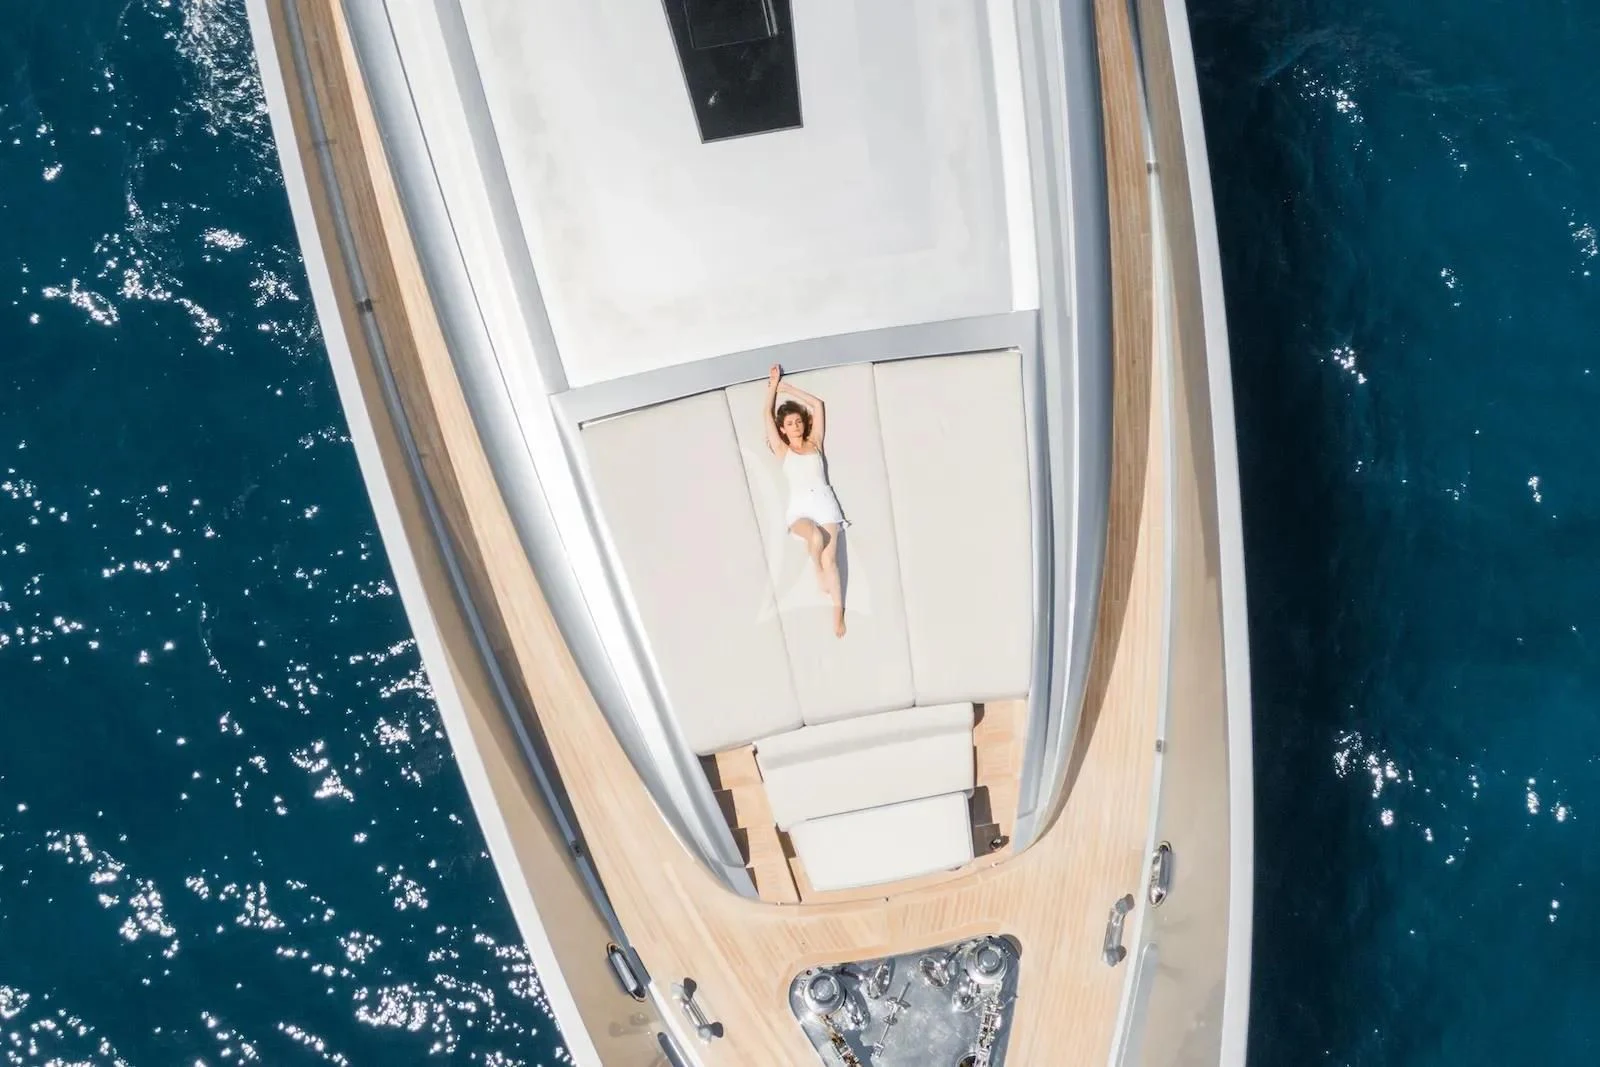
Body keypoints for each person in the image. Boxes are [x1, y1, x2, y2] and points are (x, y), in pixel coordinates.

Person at [763, 364, 847, 637]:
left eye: (798, 421)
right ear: (783, 429)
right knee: (815, 539)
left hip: (825, 504)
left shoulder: (815, 443)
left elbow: (818, 405)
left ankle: (838, 613)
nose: (796, 426)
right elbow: (766, 413)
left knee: (831, 560)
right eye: (789, 423)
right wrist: (774, 386)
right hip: (800, 509)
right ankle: (816, 571)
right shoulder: (781, 450)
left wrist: (789, 389)